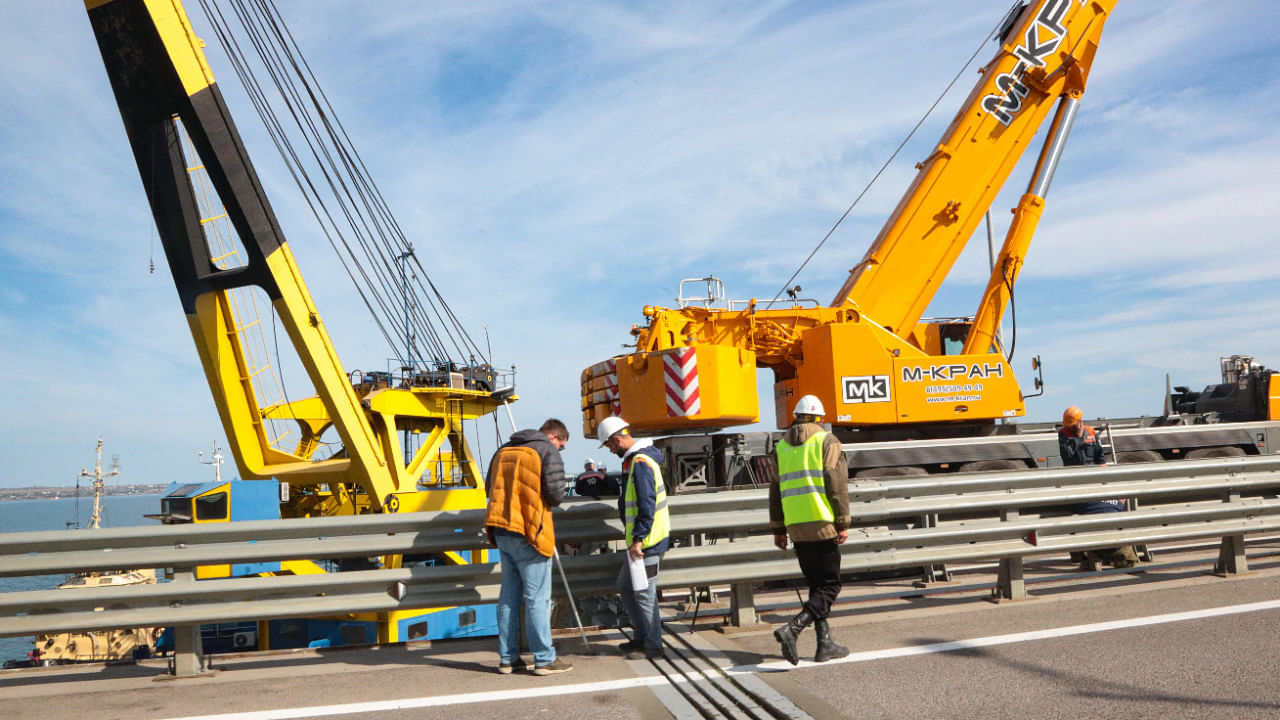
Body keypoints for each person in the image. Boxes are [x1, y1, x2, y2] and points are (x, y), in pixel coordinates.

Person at [484, 418, 573, 676]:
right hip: (530, 531)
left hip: (501, 528)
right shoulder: (546, 450)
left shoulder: (503, 450)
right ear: (555, 437)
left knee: (508, 598)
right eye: (563, 445)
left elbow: (490, 486)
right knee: (537, 599)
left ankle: (508, 659)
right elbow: (556, 495)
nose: (561, 450)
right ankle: (544, 659)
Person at [769, 395, 852, 665]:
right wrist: (843, 521)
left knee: (816, 586)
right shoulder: (827, 441)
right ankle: (792, 628)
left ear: (796, 416)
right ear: (819, 418)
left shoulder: (781, 447)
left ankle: (824, 644)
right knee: (830, 587)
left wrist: (779, 528)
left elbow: (774, 490)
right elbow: (835, 483)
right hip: (823, 522)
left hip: (796, 526)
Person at [598, 416, 670, 660]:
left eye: (609, 444)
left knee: (645, 593)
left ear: (617, 439)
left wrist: (638, 538)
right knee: (626, 587)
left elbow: (646, 503)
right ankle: (641, 638)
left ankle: (653, 646)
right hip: (642, 540)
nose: (609, 449)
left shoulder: (640, 462)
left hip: (647, 541)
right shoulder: (635, 460)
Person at [1059, 406, 1138, 570]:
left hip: (1094, 479)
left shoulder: (1092, 432)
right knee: (1073, 513)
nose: (1070, 427)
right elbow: (1068, 456)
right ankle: (1077, 553)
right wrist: (1079, 438)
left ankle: (1098, 552)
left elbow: (1100, 456)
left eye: (1072, 424)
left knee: (1101, 509)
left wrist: (1105, 478)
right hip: (1076, 480)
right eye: (1069, 425)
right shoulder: (1063, 434)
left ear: (1080, 421)